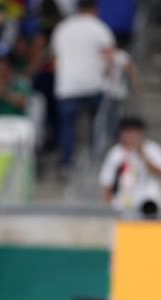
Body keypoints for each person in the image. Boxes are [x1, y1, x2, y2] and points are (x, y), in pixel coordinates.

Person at [51, 0, 114, 172]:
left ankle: (66, 162)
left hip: (67, 85)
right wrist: (107, 77)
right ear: (95, 9)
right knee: (97, 123)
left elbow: (56, 59)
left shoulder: (63, 28)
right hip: (93, 84)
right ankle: (97, 159)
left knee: (67, 126)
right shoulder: (99, 27)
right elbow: (109, 57)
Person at [99, 116, 161, 219]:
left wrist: (143, 155)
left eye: (134, 132)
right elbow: (107, 182)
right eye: (127, 132)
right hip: (125, 199)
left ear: (141, 133)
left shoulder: (153, 149)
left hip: (150, 199)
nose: (130, 136)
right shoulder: (115, 153)